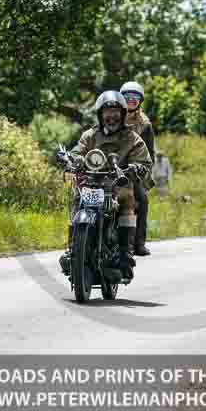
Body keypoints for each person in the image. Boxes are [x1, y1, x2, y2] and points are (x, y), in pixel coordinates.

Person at [57, 91, 152, 279]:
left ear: (123, 114)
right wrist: (71, 160)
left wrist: (137, 168)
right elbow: (78, 151)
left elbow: (145, 161)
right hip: (91, 181)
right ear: (100, 115)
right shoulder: (90, 135)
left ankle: (125, 254)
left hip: (118, 184)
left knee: (127, 202)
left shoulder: (132, 138)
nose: (111, 116)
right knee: (76, 201)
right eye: (107, 112)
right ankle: (72, 248)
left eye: (116, 112)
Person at [120, 81, 155, 256]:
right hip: (110, 167)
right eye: (127, 97)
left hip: (134, 171)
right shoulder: (112, 115)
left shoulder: (145, 124)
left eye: (135, 97)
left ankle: (138, 242)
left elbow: (150, 153)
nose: (131, 100)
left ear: (140, 100)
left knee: (141, 199)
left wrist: (142, 172)